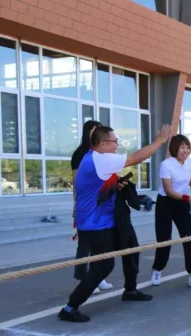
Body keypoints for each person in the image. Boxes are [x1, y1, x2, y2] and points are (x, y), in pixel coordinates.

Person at [58, 124, 175, 323]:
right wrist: (160, 141)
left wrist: (115, 185)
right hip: (94, 223)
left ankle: (130, 289)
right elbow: (137, 157)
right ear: (103, 144)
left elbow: (99, 187)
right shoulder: (100, 158)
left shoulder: (94, 158)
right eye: (114, 142)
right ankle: (70, 308)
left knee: (127, 250)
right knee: (103, 266)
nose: (116, 146)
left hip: (105, 220)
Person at [151, 135, 191, 289]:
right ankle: (157, 269)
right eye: (182, 147)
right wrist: (189, 198)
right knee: (164, 240)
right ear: (174, 148)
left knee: (188, 239)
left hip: (183, 204)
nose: (186, 150)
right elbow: (169, 191)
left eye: (188, 147)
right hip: (166, 203)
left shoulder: (190, 162)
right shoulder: (166, 165)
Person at [70, 120, 113, 294]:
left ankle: (98, 277)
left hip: (101, 204)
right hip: (86, 205)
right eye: (95, 130)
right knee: (85, 245)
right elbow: (76, 182)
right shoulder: (81, 154)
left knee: (99, 244)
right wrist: (77, 204)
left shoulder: (101, 156)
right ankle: (83, 278)